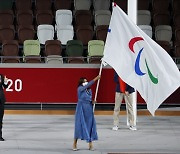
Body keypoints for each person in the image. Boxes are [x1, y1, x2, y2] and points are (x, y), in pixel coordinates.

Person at [73, 75, 100, 151]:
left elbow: (88, 99)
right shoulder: (80, 88)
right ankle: (75, 143)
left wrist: (92, 101)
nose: (86, 82)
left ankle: (90, 144)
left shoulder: (89, 90)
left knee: (90, 125)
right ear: (81, 83)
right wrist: (96, 78)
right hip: (81, 108)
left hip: (88, 108)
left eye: (86, 81)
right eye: (84, 81)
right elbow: (87, 86)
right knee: (79, 125)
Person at [0, 74, 8, 141]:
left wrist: (5, 82)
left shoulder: (1, 76)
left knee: (0, 119)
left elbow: (5, 86)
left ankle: (0, 136)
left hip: (1, 100)